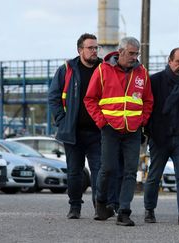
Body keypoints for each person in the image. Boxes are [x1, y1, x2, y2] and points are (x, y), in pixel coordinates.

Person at [84, 36, 153, 226]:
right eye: (131, 53)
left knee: (130, 171)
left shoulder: (142, 73)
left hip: (133, 130)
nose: (134, 57)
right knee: (108, 169)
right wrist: (102, 122)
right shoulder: (103, 70)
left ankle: (124, 211)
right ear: (120, 52)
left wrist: (141, 121)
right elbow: (90, 99)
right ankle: (101, 203)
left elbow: (148, 101)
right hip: (110, 129)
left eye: (136, 54)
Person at [48, 33, 103, 219]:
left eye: (96, 47)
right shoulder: (66, 69)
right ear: (80, 50)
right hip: (73, 132)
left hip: (98, 131)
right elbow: (54, 98)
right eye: (90, 48)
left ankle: (100, 207)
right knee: (74, 173)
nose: (94, 51)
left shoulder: (105, 69)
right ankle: (74, 207)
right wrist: (62, 121)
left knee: (100, 171)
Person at [143, 48, 179, 226]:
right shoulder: (155, 81)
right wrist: (151, 132)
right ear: (170, 61)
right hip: (160, 137)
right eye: (178, 62)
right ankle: (149, 209)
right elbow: (148, 109)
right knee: (154, 175)